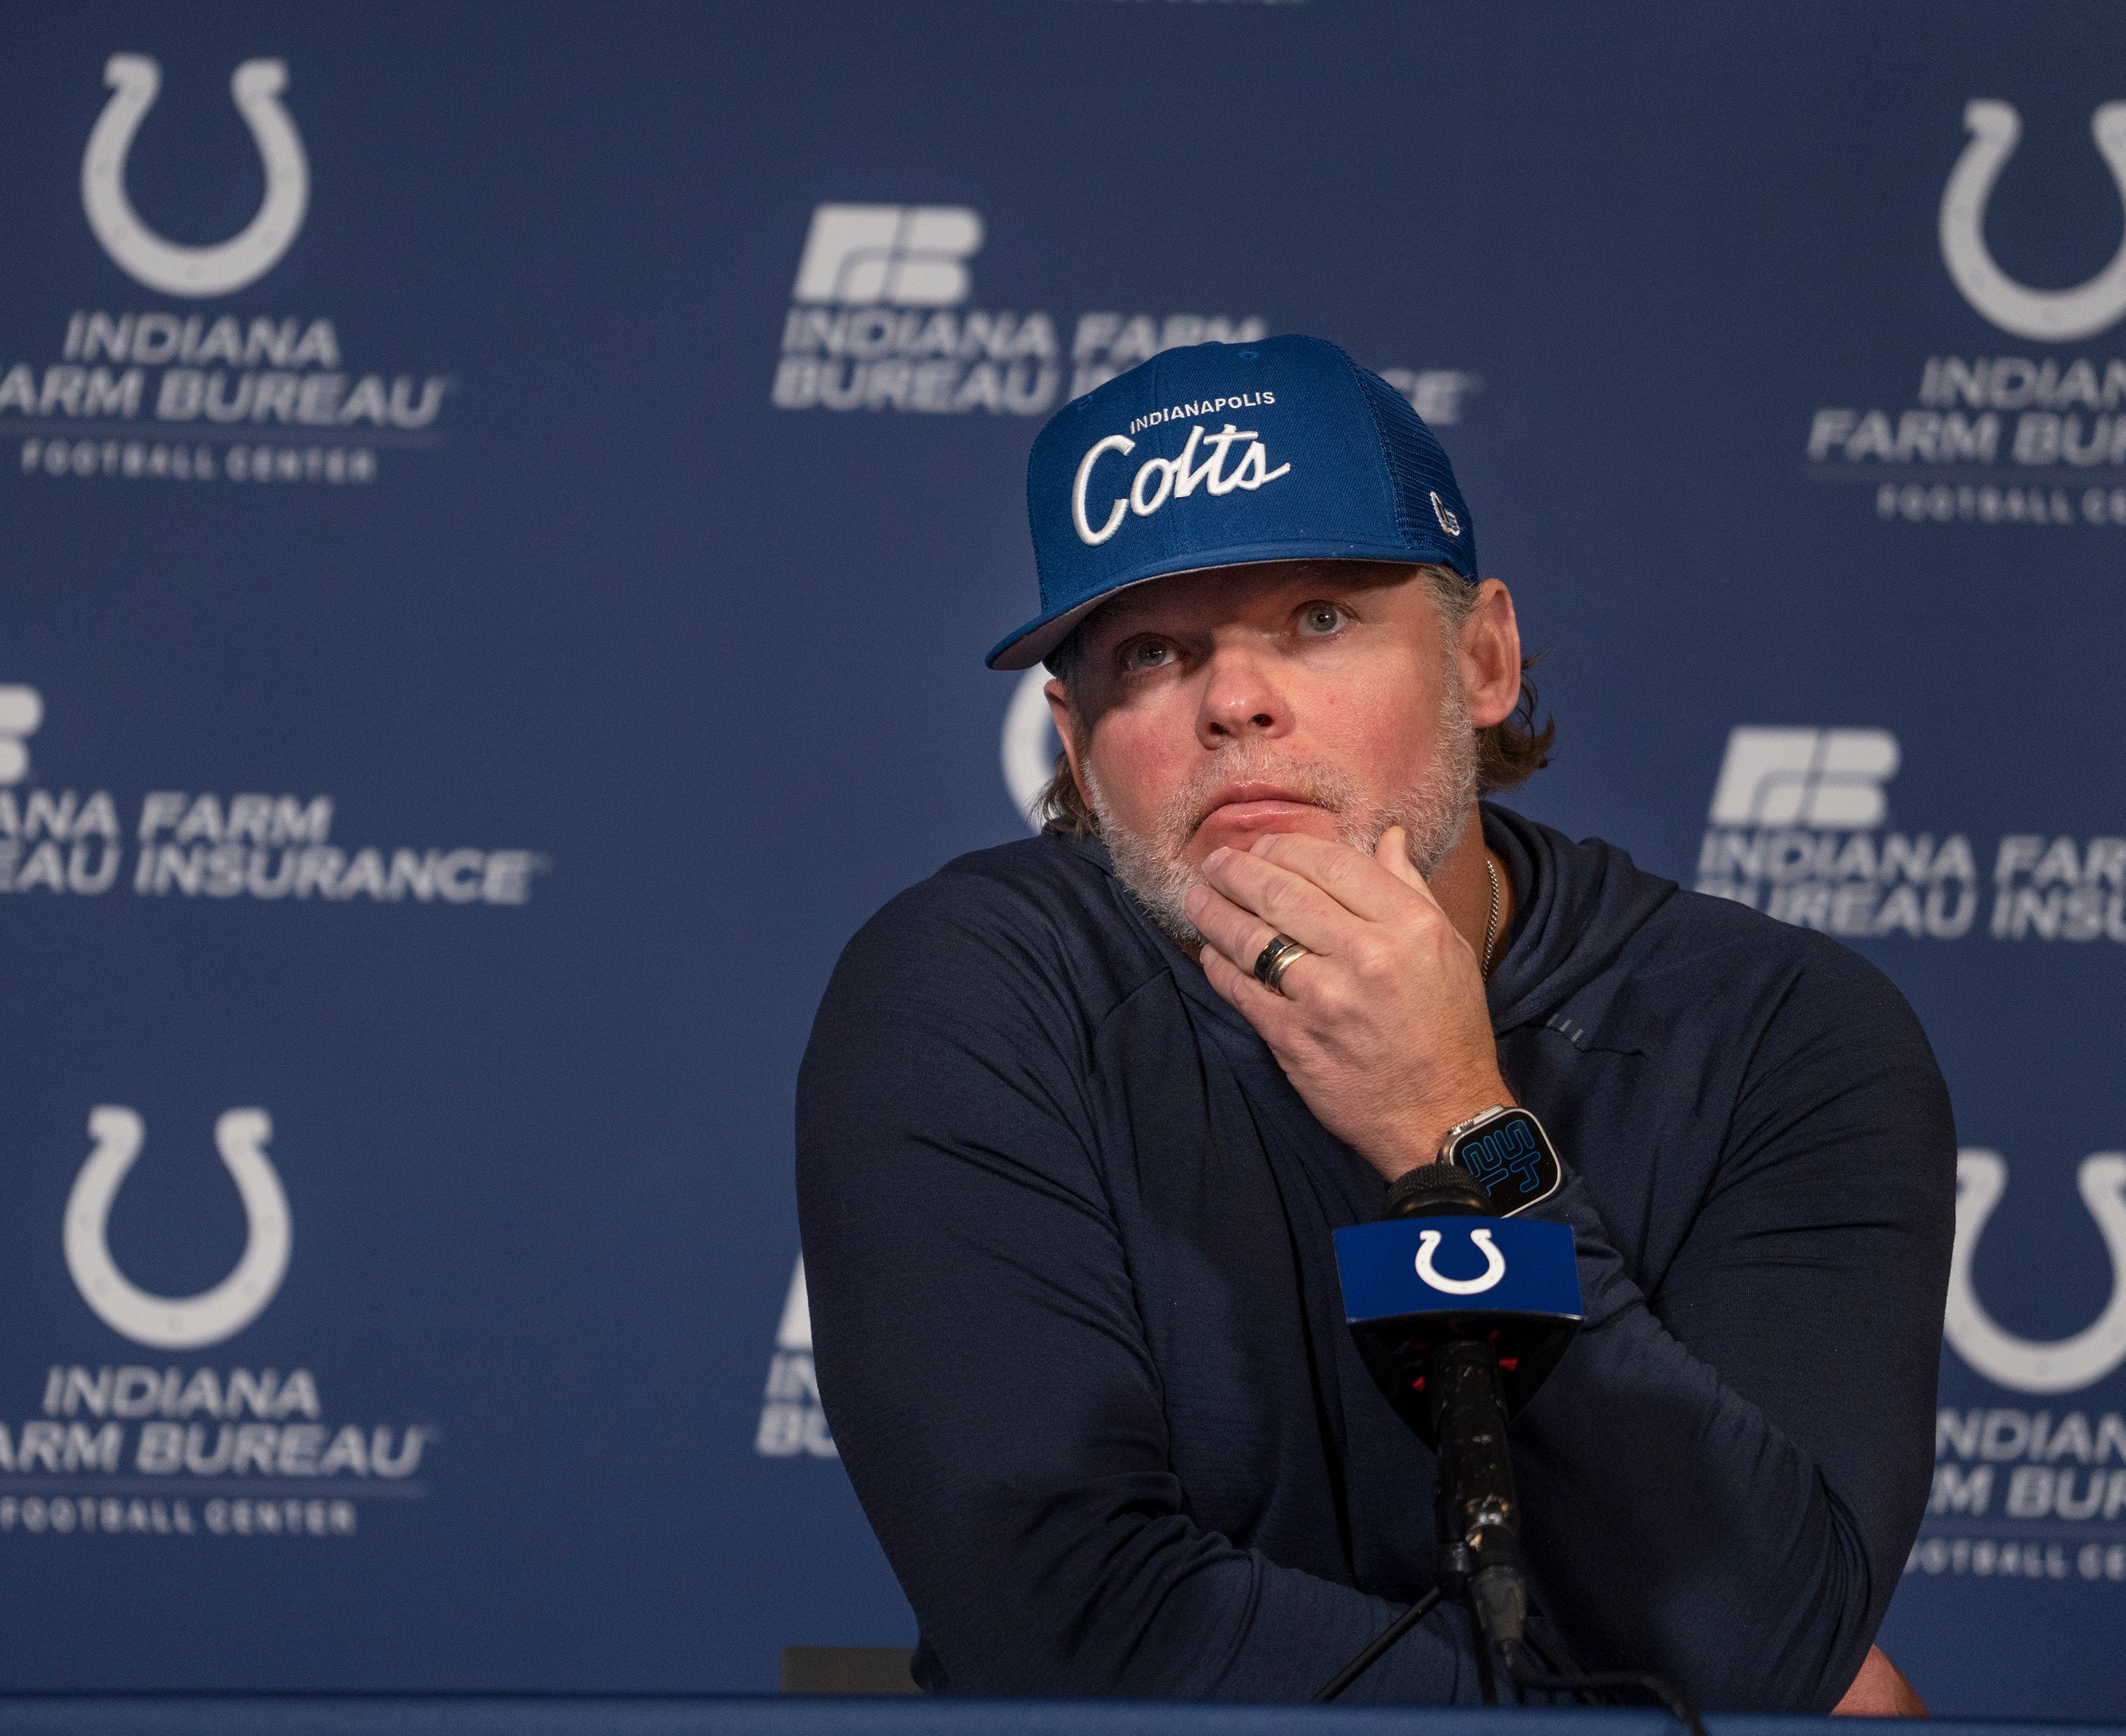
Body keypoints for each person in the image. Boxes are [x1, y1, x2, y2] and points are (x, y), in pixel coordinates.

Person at [794, 334, 1951, 1712]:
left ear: (1484, 659)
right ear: (1076, 745)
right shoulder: (975, 994)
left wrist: (1456, 1124)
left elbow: (1765, 1644)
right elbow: (1072, 1627)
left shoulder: (1782, 1035)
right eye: (1152, 651)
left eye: (1319, 618)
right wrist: (1617, 1716)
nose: (1235, 701)